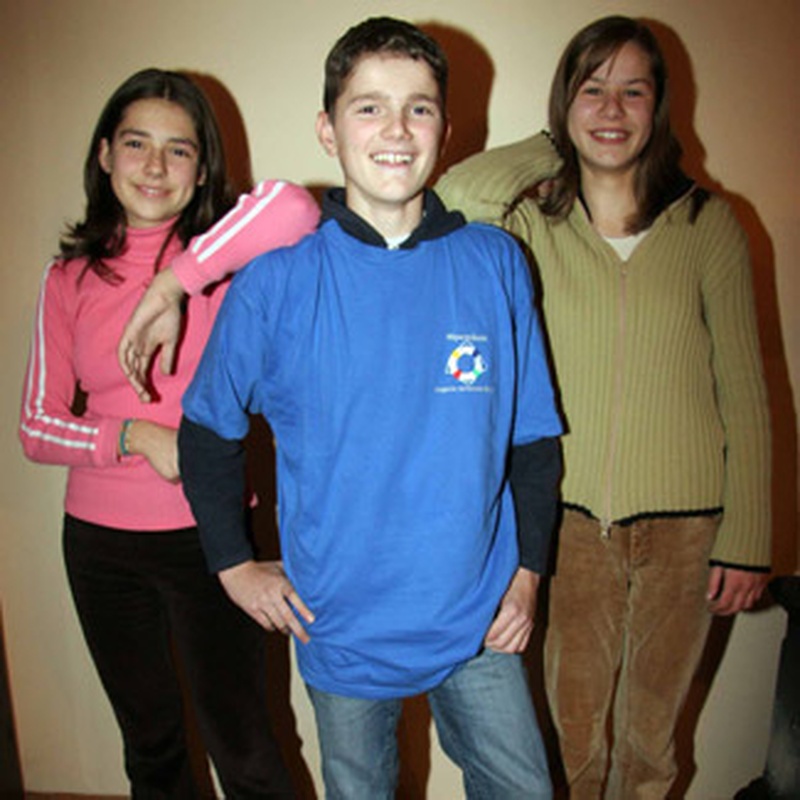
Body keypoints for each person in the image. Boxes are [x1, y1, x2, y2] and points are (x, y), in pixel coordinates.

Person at [173, 17, 561, 800]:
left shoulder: (495, 263)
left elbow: (534, 441)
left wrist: (528, 574)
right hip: (340, 629)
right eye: (369, 107)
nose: (396, 129)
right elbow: (206, 429)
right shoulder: (276, 284)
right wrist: (233, 566)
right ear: (328, 129)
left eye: (419, 108)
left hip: (479, 618)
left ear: (445, 130)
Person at [436, 15, 772, 800]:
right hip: (572, 523)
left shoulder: (709, 223)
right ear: (565, 103)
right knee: (574, 738)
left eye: (633, 92)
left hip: (688, 533)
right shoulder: (531, 225)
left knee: (651, 746)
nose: (613, 110)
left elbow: (747, 388)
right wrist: (553, 144)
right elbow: (454, 200)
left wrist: (748, 539)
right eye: (592, 91)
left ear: (660, 107)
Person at [19, 67, 318, 797]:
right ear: (104, 155)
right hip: (100, 549)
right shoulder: (68, 278)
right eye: (136, 144)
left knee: (245, 748)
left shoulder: (224, 264)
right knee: (151, 749)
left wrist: (174, 282)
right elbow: (36, 427)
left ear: (203, 167)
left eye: (179, 150)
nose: (154, 166)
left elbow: (296, 206)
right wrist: (133, 437)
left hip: (211, 540)